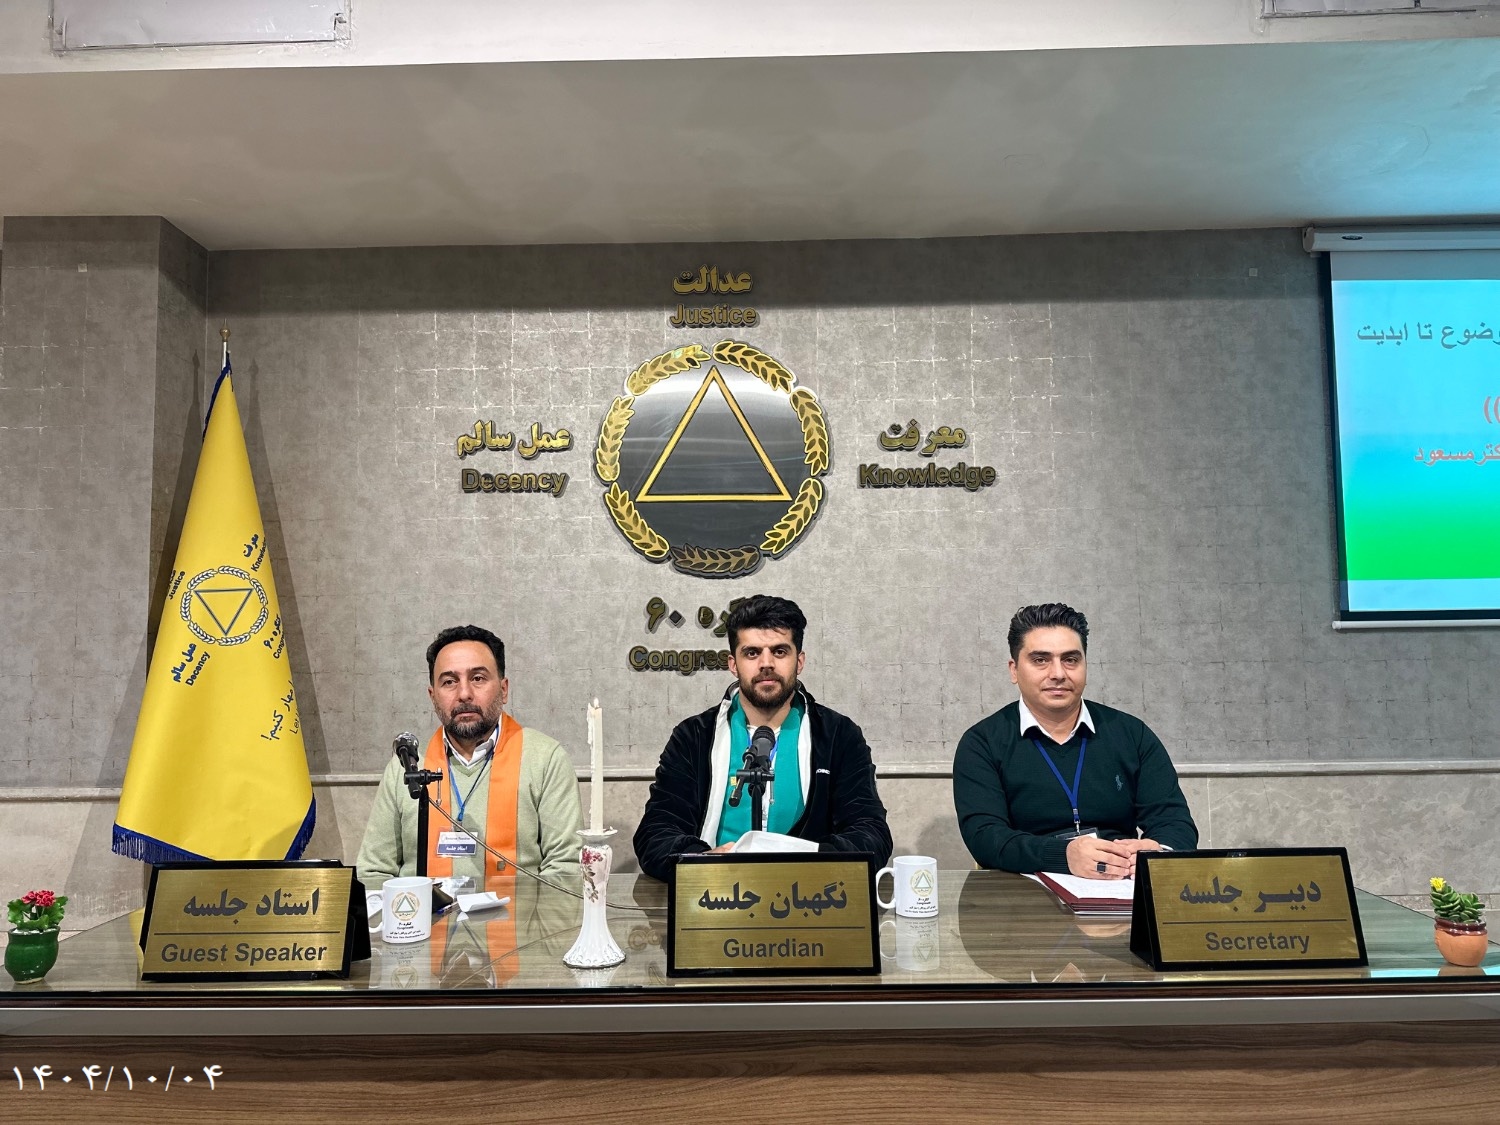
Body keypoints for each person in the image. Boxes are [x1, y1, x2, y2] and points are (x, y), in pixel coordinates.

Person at [633, 595, 892, 881]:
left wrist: (808, 862)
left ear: (799, 661)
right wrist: (703, 861)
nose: (766, 663)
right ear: (733, 664)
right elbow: (655, 835)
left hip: (810, 895)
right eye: (752, 653)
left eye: (779, 652)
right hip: (716, 891)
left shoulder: (838, 736)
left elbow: (871, 834)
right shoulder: (693, 737)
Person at [953, 603, 1197, 880]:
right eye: (1040, 660)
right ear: (1014, 670)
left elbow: (1175, 822)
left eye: (1070, 659)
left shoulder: (1131, 734)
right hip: (1025, 889)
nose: (1058, 673)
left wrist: (1157, 852)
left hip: (1120, 884)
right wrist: (1064, 855)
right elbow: (985, 837)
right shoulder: (982, 743)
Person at [357, 624, 583, 887]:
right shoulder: (408, 766)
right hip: (422, 914)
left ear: (504, 689)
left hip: (516, 914)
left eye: (478, 678)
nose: (464, 694)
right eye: (449, 682)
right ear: (433, 696)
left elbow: (566, 868)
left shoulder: (545, 759)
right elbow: (373, 873)